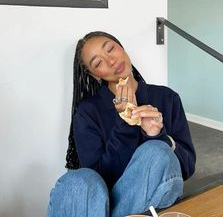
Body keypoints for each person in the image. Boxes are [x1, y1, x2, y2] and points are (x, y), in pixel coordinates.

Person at [47, 31, 196, 217]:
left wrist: (159, 136)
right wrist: (125, 124)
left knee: (157, 150)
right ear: (94, 75)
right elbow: (99, 181)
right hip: (97, 208)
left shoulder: (167, 98)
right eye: (98, 63)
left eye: (110, 49)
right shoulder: (87, 112)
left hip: (144, 202)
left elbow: (187, 168)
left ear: (122, 47)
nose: (110, 61)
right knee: (78, 179)